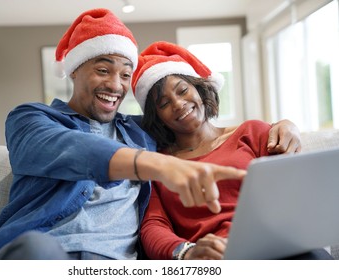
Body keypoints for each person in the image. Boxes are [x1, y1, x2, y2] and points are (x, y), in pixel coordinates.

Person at [0, 9, 300, 260]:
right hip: (44, 255)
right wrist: (154, 165)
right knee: (39, 250)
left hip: (118, 266)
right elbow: (71, 148)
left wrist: (283, 125)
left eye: (126, 74)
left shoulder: (139, 131)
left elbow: (190, 127)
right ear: (74, 70)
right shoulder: (31, 119)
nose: (115, 85)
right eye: (102, 69)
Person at [132, 41, 332, 260]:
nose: (178, 104)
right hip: (219, 259)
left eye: (183, 90)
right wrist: (186, 252)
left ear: (200, 89)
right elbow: (153, 225)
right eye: (164, 103)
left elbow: (293, 193)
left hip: (277, 247)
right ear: (156, 116)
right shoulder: (158, 163)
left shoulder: (252, 132)